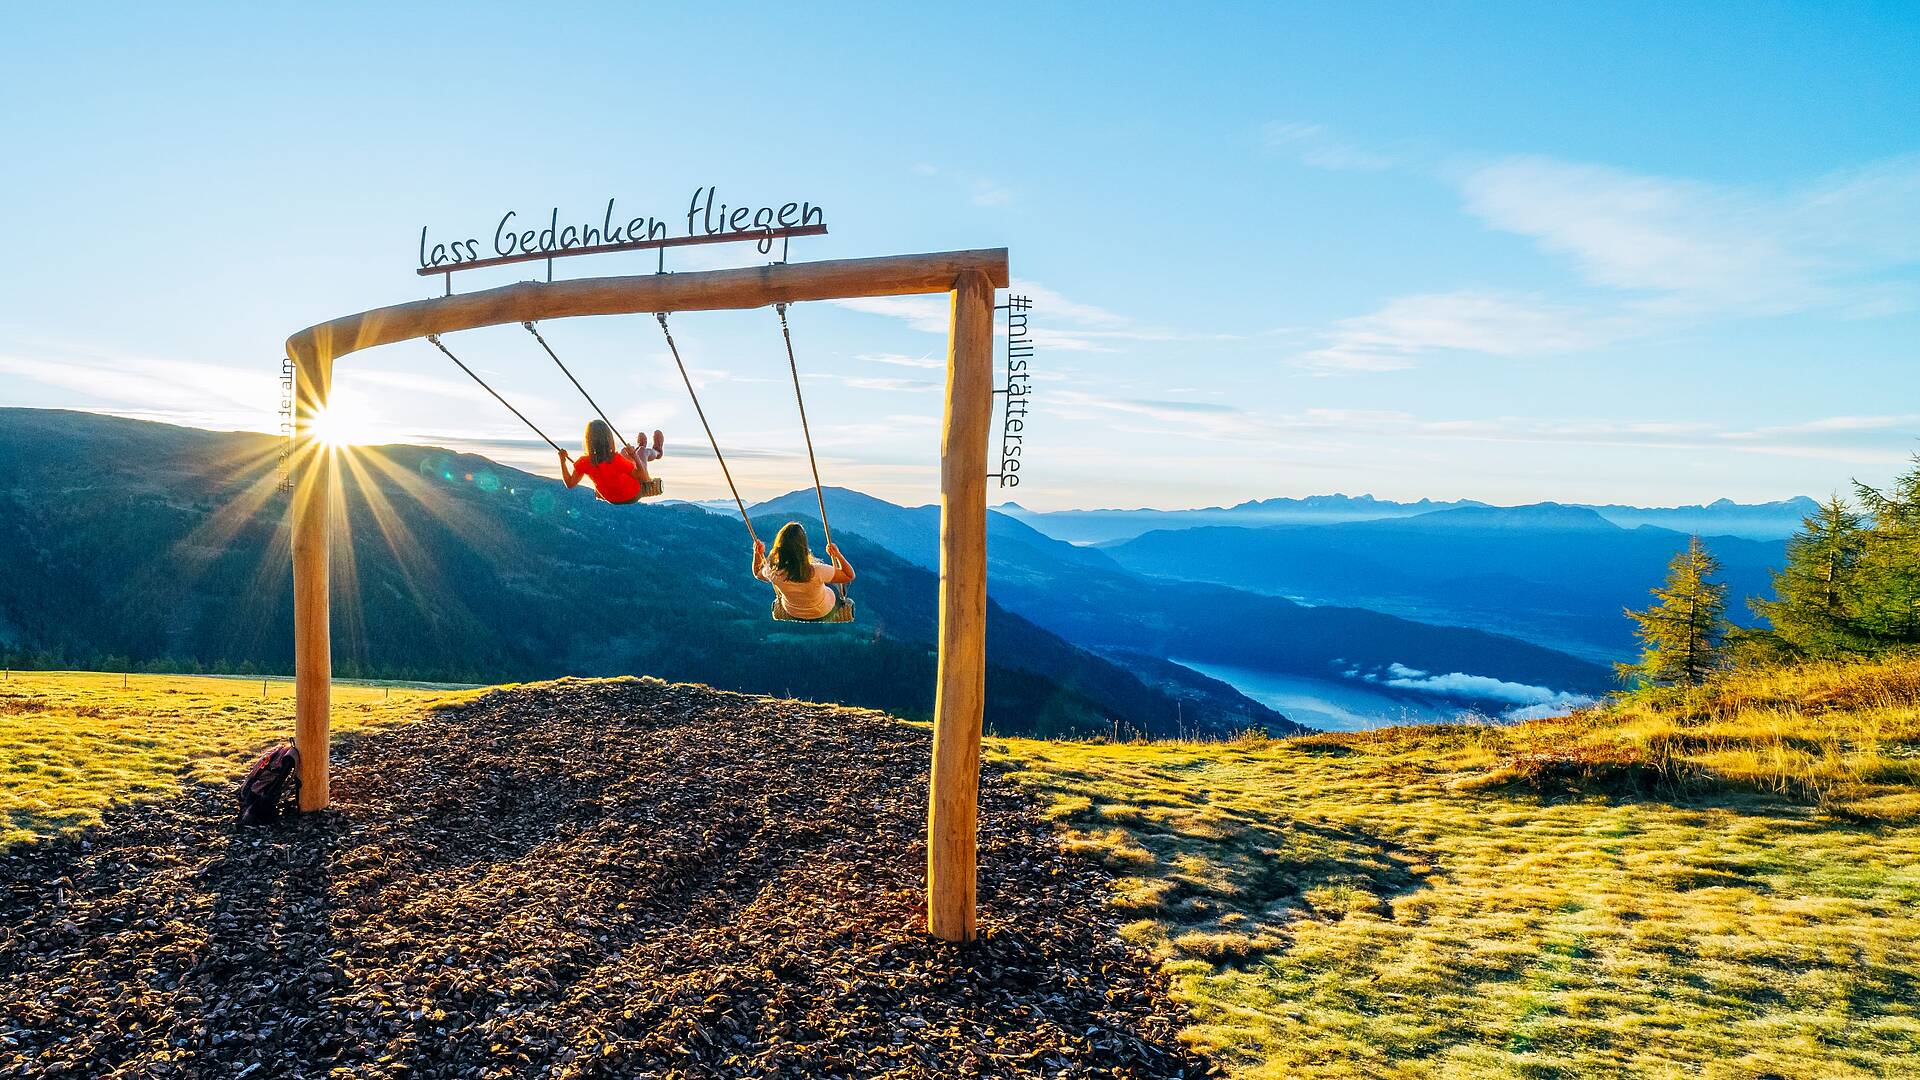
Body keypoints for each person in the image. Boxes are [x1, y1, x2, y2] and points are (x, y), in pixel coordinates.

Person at [753, 521, 854, 620]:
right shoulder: (817, 571)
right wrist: (837, 554)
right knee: (835, 583)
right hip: (823, 610)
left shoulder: (772, 572)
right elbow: (849, 576)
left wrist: (757, 553)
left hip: (793, 611)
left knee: (825, 580)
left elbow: (757, 573)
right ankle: (841, 600)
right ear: (803, 546)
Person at [559, 420, 663, 504]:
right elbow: (644, 477)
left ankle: (640, 447)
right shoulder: (615, 459)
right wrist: (634, 455)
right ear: (609, 439)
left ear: (588, 440)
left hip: (611, 499)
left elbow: (570, 484)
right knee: (643, 452)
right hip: (633, 494)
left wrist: (563, 461)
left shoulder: (584, 462)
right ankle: (657, 451)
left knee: (624, 452)